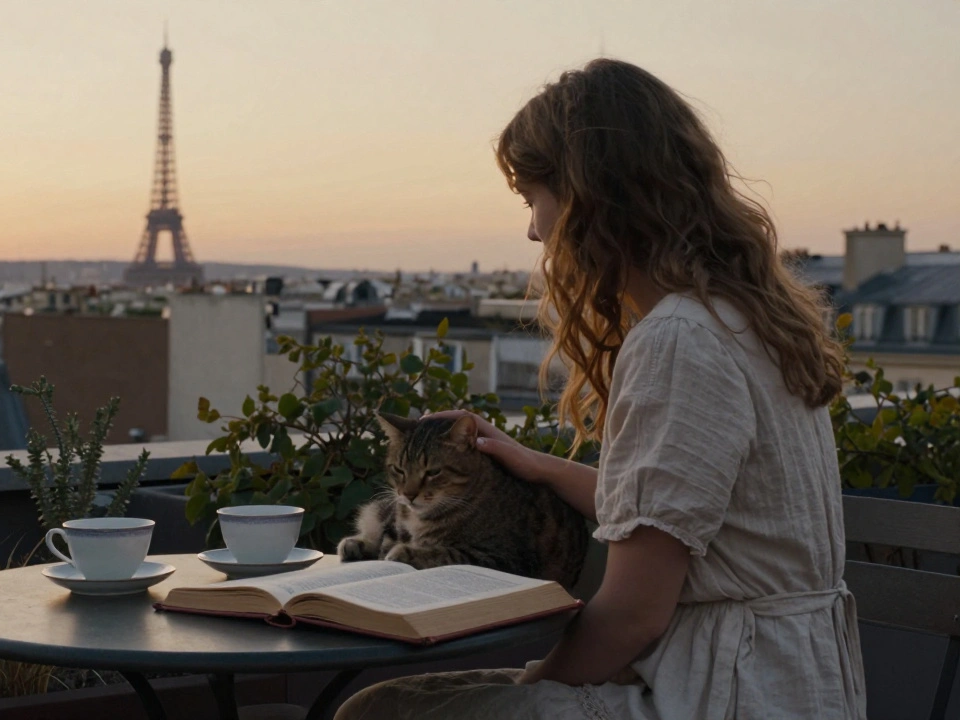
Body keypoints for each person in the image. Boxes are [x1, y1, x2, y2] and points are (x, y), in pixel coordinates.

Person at [334, 59, 866, 720]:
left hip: (716, 693)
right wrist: (533, 464)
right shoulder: (739, 319)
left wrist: (534, 685)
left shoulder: (677, 342)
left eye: (535, 199)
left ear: (593, 199)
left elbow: (633, 614)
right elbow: (687, 525)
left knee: (378, 712)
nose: (534, 231)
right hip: (785, 681)